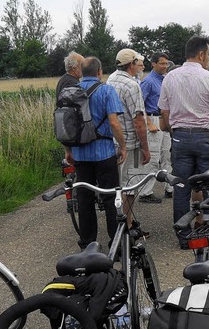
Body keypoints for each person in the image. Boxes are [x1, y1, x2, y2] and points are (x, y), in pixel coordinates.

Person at [159, 36, 209, 249]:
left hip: (180, 137)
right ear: (201, 55)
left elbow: (164, 111)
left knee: (181, 186)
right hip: (207, 137)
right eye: (208, 55)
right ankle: (208, 230)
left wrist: (175, 130)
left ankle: (183, 235)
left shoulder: (170, 77)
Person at [65, 57, 127, 249]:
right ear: (99, 71)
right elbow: (114, 122)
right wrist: (123, 146)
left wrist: (68, 150)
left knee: (84, 199)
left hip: (80, 154)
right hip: (104, 152)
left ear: (81, 72)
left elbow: (65, 125)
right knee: (110, 198)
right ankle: (115, 244)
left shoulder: (71, 92)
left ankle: (87, 244)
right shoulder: (107, 90)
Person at [106, 48, 151, 237]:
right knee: (130, 186)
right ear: (131, 64)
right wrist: (146, 148)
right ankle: (127, 226)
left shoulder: (110, 80)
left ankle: (123, 222)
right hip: (130, 143)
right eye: (137, 62)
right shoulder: (132, 86)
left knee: (117, 185)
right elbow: (138, 120)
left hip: (113, 141)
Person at [138, 52, 171, 203]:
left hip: (164, 120)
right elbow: (139, 105)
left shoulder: (164, 80)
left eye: (166, 64)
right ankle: (145, 192)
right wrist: (148, 123)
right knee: (153, 157)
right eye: (162, 63)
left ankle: (169, 188)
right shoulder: (148, 82)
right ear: (153, 64)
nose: (165, 66)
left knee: (167, 155)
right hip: (153, 120)